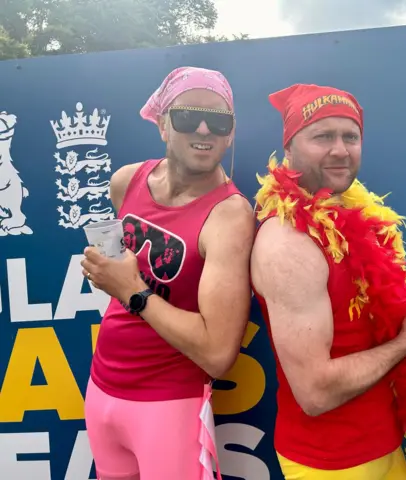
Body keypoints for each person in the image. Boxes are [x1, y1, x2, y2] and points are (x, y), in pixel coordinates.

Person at [250, 83, 406, 480]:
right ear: (289, 148)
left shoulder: (350, 211)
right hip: (333, 463)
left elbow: (359, 315)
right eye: (323, 136)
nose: (340, 149)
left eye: (351, 136)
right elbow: (315, 393)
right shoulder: (287, 243)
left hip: (386, 442)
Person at [80, 67, 255, 480]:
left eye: (218, 121)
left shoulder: (229, 216)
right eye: (186, 116)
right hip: (100, 389)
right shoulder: (126, 181)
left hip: (168, 406)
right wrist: (110, 276)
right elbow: (119, 274)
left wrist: (133, 293)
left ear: (230, 134)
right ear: (162, 124)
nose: (203, 128)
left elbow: (217, 354)